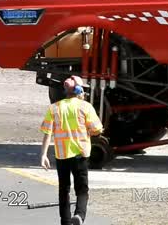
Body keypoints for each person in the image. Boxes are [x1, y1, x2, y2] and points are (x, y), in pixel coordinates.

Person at [40, 75, 104, 225]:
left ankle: (66, 222)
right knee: (82, 190)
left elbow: (47, 133)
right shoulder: (85, 107)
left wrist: (43, 155)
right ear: (79, 90)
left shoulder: (54, 108)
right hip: (80, 154)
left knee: (64, 190)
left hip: (61, 155)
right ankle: (79, 215)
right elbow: (97, 129)